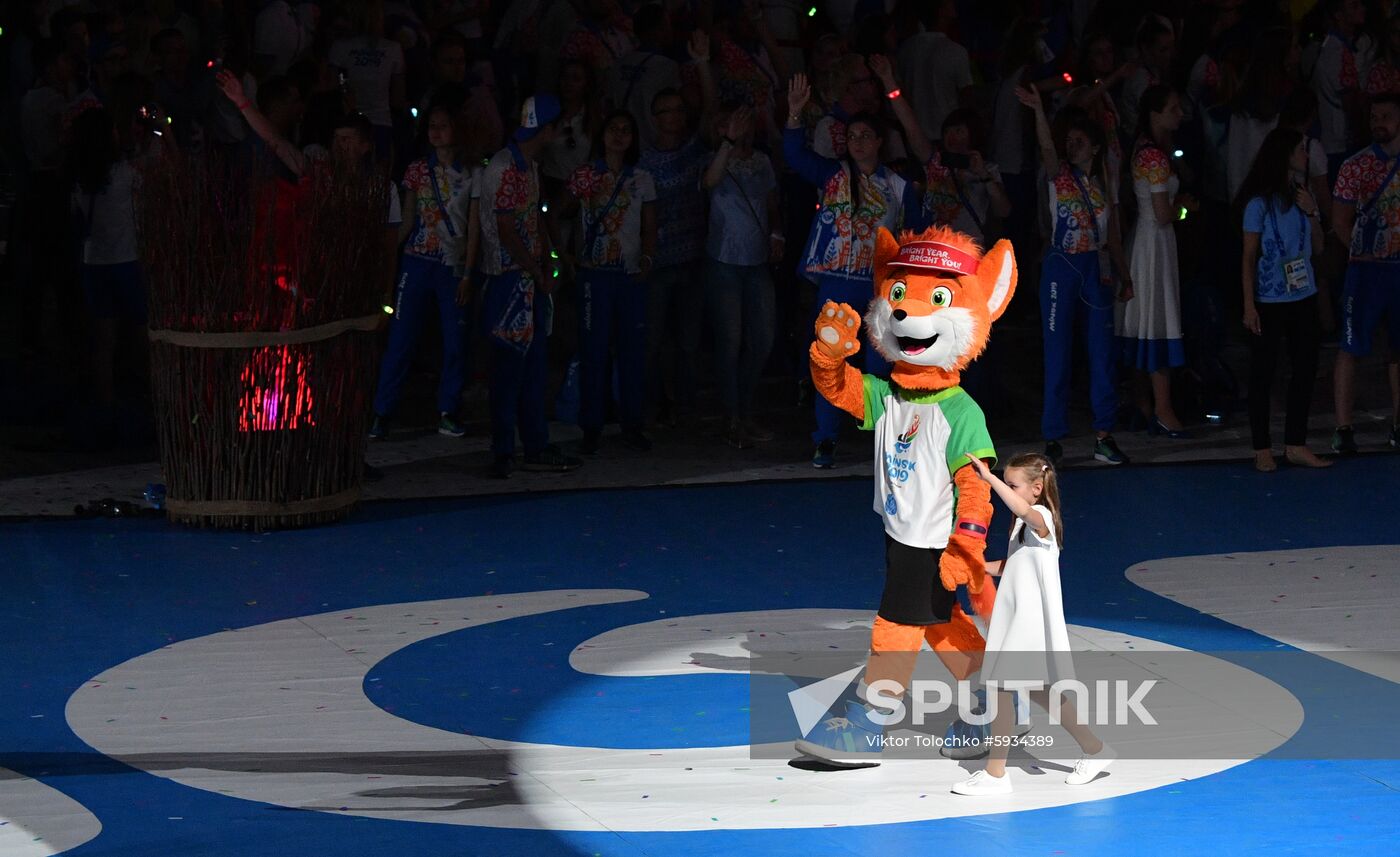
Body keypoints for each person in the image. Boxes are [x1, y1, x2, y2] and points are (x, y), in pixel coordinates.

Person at [950, 452, 1112, 795]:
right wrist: (973, 565)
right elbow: (1012, 566)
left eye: (1012, 485)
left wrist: (988, 479)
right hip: (1018, 618)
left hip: (1028, 622)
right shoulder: (1025, 526)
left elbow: (1023, 510)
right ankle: (1096, 749)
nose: (1007, 490)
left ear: (1037, 488)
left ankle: (996, 775)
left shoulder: (1041, 517)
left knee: (1000, 688)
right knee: (1037, 690)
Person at [784, 72, 919, 469]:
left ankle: (881, 438)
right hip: (836, 284)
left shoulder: (898, 185)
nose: (858, 142)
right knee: (831, 361)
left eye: (865, 136)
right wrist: (793, 114)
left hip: (877, 291)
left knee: (879, 368)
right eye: (853, 136)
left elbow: (910, 238)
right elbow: (794, 156)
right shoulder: (834, 176)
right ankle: (825, 439)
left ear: (879, 142)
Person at [1017, 86, 1131, 466]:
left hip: (1094, 269)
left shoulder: (1104, 184)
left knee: (1102, 354)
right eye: (1070, 141)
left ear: (1095, 148)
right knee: (1058, 354)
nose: (1072, 146)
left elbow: (1112, 233)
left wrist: (1124, 274)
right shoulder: (1057, 176)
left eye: (1080, 141)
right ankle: (1052, 437)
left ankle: (1104, 435)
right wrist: (1037, 110)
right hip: (1060, 269)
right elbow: (1048, 149)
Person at [478, 95, 582, 477]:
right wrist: (537, 271)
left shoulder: (529, 167)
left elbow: (532, 217)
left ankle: (533, 445)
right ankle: (504, 451)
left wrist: (551, 256)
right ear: (548, 129)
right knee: (509, 369)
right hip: (509, 281)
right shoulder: (505, 167)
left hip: (528, 279)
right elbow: (506, 230)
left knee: (534, 366)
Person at [368, 101, 473, 440]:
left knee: (454, 341)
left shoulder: (474, 172)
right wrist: (384, 253)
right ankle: (381, 412)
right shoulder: (416, 170)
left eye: (443, 124)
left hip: (451, 265)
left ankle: (448, 410)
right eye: (432, 125)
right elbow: (408, 219)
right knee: (400, 339)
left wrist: (469, 272)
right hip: (416, 260)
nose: (436, 131)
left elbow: (474, 228)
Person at [563, 109, 659, 454]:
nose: (619, 136)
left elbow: (650, 225)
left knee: (632, 352)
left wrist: (647, 259)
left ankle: (631, 424)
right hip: (594, 275)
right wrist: (566, 257)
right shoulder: (587, 174)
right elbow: (561, 210)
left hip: (629, 275)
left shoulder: (642, 178)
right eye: (612, 129)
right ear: (601, 135)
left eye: (625, 130)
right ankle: (591, 425)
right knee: (594, 351)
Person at [1237, 128, 1332, 472]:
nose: (1305, 157)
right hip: (1268, 298)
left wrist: (1313, 213)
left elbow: (1318, 247)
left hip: (1302, 294)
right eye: (1300, 151)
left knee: (1305, 367)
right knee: (1263, 372)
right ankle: (1262, 446)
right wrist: (1248, 304)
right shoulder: (1258, 204)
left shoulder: (1302, 196)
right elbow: (1248, 257)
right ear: (1285, 155)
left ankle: (1296, 442)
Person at [638, 31, 716, 425]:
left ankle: (685, 406)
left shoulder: (695, 148)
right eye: (666, 111)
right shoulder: (643, 159)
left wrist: (702, 65)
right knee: (651, 340)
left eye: (679, 110)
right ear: (654, 118)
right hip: (657, 262)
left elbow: (713, 114)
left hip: (692, 258)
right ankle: (652, 404)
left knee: (688, 341)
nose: (675, 117)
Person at [1117, 85, 1195, 437]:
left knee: (1143, 321)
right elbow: (1164, 213)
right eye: (1173, 108)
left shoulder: (1146, 152)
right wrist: (1186, 209)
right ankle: (1162, 408)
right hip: (1155, 244)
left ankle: (1145, 404)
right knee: (1157, 320)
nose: (1180, 114)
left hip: (1146, 242)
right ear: (1155, 113)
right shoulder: (1155, 157)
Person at [702, 104, 781, 448]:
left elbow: (773, 202)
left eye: (747, 119)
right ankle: (732, 417)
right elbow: (709, 182)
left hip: (757, 261)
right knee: (729, 341)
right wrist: (726, 141)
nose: (741, 125)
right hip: (723, 261)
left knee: (763, 338)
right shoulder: (712, 158)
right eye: (734, 120)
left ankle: (744, 410)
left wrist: (778, 234)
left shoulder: (762, 161)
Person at [1330, 94, 1400, 454]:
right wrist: (1365, 252)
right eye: (1375, 116)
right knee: (1350, 345)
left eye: (1387, 116)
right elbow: (1340, 221)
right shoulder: (1354, 166)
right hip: (1367, 271)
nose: (1379, 122)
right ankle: (1343, 428)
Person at [70, 107, 151, 418]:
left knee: (104, 338)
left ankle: (106, 401)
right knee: (140, 334)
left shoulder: (80, 178)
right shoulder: (124, 175)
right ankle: (151, 393)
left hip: (94, 263)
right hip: (126, 262)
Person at [327, 0, 405, 160]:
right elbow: (398, 98)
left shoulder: (340, 47)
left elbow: (331, 88)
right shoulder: (393, 49)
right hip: (380, 122)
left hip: (349, 124)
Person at [1313, 0, 1373, 182]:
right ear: (1338, 15)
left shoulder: (1338, 47)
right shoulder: (1336, 51)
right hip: (1340, 142)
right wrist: (1363, 134)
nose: (1362, 8)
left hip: (1338, 139)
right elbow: (1350, 101)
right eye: (1354, 6)